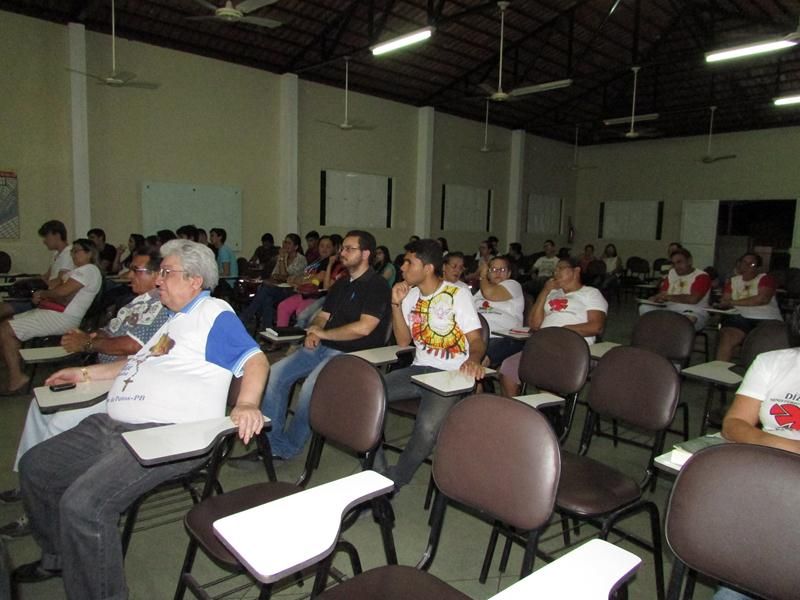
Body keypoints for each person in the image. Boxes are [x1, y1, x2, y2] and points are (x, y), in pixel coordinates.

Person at [13, 240, 268, 599]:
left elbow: (255, 360)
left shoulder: (212, 313)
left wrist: (247, 404)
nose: (159, 280)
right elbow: (135, 362)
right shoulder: (174, 319)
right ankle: (58, 556)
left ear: (194, 280)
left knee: (83, 506)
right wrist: (84, 374)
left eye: (167, 273)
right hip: (114, 426)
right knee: (36, 466)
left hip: (166, 435)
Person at [0, 249, 168, 539]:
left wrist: (89, 345)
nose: (129, 276)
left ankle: (44, 505)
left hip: (124, 381)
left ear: (156, 276)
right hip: (102, 372)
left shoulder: (163, 306)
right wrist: (90, 337)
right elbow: (109, 331)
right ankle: (30, 486)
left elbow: (132, 346)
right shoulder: (136, 302)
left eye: (136, 271)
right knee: (40, 407)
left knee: (61, 422)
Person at [242, 231, 390, 461]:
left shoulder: (377, 285)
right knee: (275, 375)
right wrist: (315, 330)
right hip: (322, 346)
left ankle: (288, 448)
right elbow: (323, 315)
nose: (342, 253)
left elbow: (364, 327)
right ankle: (270, 444)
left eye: (349, 249)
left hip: (351, 354)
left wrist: (324, 333)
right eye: (343, 248)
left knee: (310, 391)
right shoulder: (342, 283)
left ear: (365, 254)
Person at [378, 238, 485, 488]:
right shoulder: (410, 295)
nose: (402, 267)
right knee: (367, 397)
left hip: (450, 375)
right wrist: (396, 304)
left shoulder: (457, 295)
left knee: (426, 430)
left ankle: (394, 482)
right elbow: (403, 341)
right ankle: (378, 470)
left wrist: (473, 360)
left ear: (427, 268)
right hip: (418, 369)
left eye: (409, 262)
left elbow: (476, 340)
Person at [0, 239, 102, 395]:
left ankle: (16, 378)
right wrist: (47, 292)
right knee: (7, 323)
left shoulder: (89, 270)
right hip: (54, 311)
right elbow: (54, 287)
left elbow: (62, 293)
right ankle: (14, 370)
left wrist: (43, 294)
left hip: (62, 317)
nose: (73, 254)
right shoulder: (77, 271)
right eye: (72, 251)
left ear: (89, 253)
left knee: (5, 329)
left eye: (77, 251)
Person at [499, 256, 607, 397]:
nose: (556, 272)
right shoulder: (552, 293)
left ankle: (550, 405)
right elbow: (534, 324)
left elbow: (596, 326)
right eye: (555, 270)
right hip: (543, 345)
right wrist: (545, 291)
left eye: (561, 268)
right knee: (508, 368)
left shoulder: (590, 293)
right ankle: (515, 408)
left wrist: (562, 331)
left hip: (572, 347)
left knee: (546, 372)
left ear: (576, 271)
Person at [0, 220, 74, 321]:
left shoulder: (68, 254)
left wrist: (37, 290)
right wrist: (24, 282)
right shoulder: (57, 254)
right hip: (44, 295)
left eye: (46, 237)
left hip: (50, 298)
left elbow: (59, 282)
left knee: (3, 309)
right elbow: (46, 276)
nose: (44, 241)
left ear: (57, 235)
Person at [715, 253, 782, 361]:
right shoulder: (733, 281)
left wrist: (733, 302)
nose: (747, 266)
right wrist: (725, 303)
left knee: (761, 343)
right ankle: (719, 367)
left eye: (752, 264)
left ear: (758, 267)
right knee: (727, 337)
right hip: (740, 317)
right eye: (744, 262)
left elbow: (762, 299)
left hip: (766, 318)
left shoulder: (766, 279)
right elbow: (726, 299)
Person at [238, 234, 307, 329]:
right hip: (280, 289)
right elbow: (274, 275)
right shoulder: (282, 257)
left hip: (292, 291)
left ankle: (246, 317)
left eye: (289, 243)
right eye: (285, 242)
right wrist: (282, 276)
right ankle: (267, 329)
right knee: (267, 298)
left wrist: (282, 259)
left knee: (266, 290)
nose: (285, 245)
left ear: (296, 247)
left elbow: (285, 276)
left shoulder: (301, 259)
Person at [275, 236, 345, 327]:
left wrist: (301, 280)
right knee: (283, 306)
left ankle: (300, 335)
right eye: (322, 246)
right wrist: (301, 279)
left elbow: (317, 280)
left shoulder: (330, 262)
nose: (324, 249)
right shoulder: (317, 260)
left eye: (328, 247)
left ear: (333, 249)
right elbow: (306, 275)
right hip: (304, 292)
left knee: (301, 312)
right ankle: (281, 333)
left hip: (315, 295)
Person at [640, 247, 710, 331]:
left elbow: (693, 299)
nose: (676, 266)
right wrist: (656, 298)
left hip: (693, 311)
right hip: (670, 308)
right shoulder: (672, 273)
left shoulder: (701, 276)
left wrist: (668, 297)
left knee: (689, 317)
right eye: (673, 264)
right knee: (644, 307)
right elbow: (663, 293)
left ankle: (666, 332)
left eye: (679, 262)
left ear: (689, 261)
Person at [474, 256, 525, 366]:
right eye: (493, 269)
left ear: (509, 273)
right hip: (478, 337)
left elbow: (490, 294)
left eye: (502, 270)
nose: (498, 273)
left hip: (504, 337)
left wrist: (482, 276)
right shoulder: (480, 291)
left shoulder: (513, 285)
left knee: (479, 358)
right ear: (489, 273)